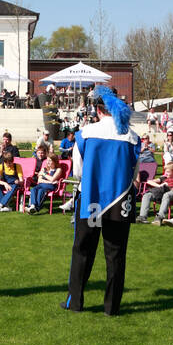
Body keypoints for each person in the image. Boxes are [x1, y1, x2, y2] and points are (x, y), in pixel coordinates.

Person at [64, 86, 140, 315]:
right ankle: (111, 307)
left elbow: (77, 172)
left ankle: (75, 302)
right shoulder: (132, 136)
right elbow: (134, 174)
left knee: (83, 251)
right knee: (115, 255)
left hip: (91, 200)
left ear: (98, 110)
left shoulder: (85, 133)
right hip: (120, 202)